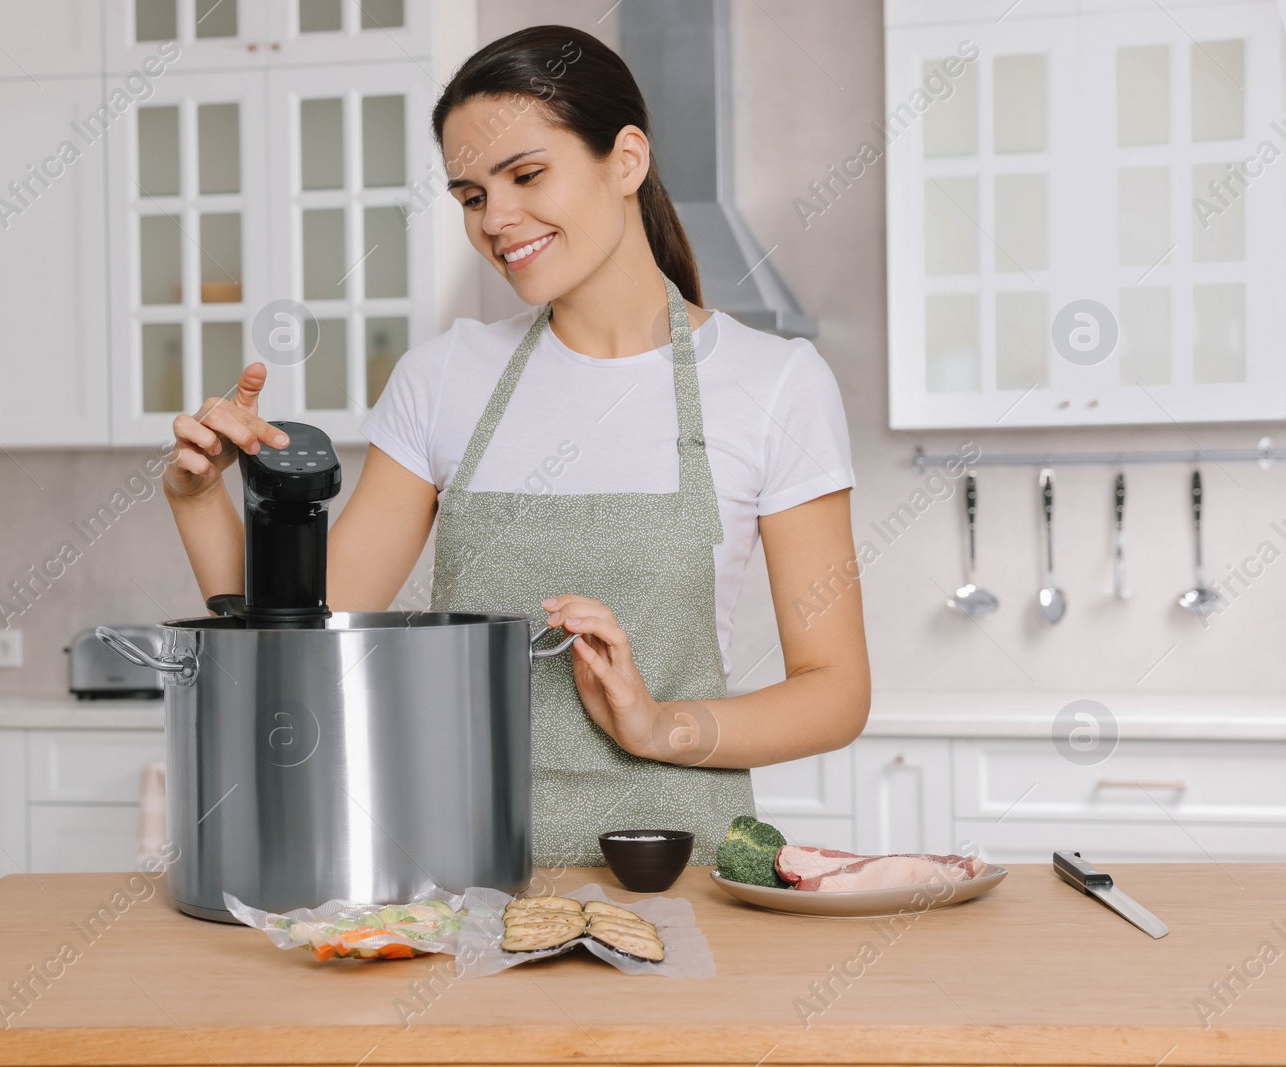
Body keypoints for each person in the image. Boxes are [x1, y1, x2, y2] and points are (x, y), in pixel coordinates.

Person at [163, 26, 869, 868]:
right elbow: (297, 644)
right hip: (457, 868)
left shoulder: (777, 383)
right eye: (469, 196)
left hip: (675, 881)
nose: (496, 221)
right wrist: (201, 496)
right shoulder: (443, 378)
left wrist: (659, 724)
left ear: (626, 160)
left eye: (526, 175)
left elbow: (836, 690)